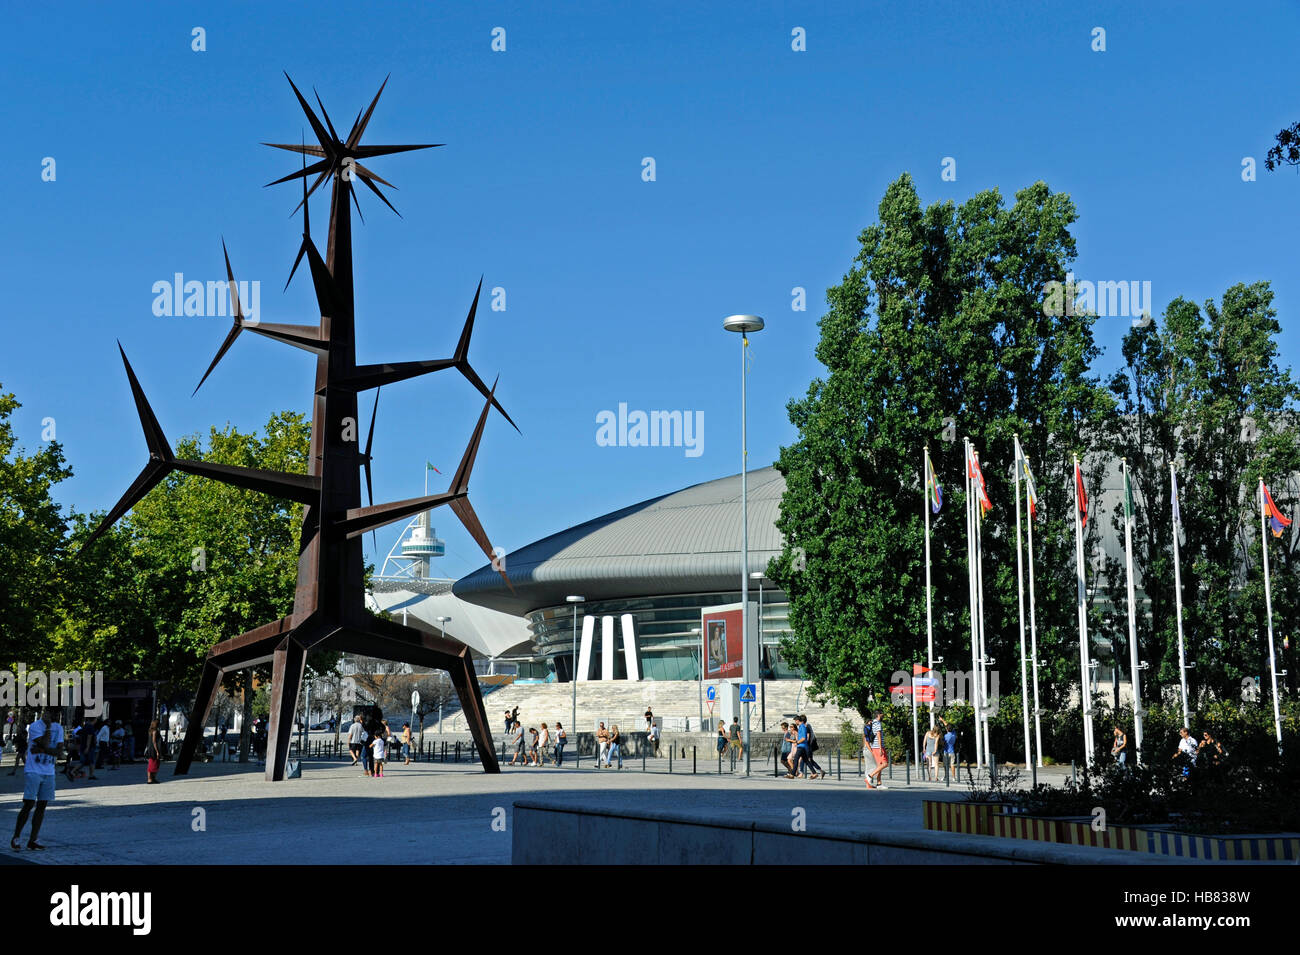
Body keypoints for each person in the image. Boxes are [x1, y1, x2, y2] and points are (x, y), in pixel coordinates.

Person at [12, 708, 62, 851]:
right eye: (48, 713)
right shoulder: (35, 726)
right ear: (43, 714)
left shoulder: (58, 728)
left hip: (49, 772)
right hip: (33, 770)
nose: (51, 716)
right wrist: (47, 729)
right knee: (28, 804)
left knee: (42, 806)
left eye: (54, 714)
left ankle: (33, 839)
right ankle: (16, 837)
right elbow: (45, 744)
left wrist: (42, 750)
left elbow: (58, 751)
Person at [866, 710, 887, 788]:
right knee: (885, 764)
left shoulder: (873, 723)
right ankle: (869, 776)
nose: (883, 716)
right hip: (878, 747)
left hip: (874, 747)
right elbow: (878, 736)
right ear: (879, 715)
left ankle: (879, 783)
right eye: (882, 714)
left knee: (880, 765)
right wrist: (881, 748)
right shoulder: (878, 724)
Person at [144, 720, 163, 784]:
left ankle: (152, 778)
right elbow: (154, 742)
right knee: (153, 764)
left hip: (151, 749)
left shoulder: (150, 731)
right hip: (154, 750)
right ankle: (150, 779)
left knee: (153, 763)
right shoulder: (155, 731)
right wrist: (157, 751)